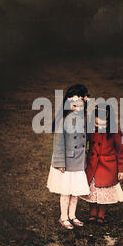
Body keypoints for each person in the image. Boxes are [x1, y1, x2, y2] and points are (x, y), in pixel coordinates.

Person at [47, 84, 90, 229]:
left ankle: (73, 215)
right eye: (73, 102)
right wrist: (60, 163)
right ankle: (63, 217)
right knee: (66, 192)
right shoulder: (63, 119)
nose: (76, 105)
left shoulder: (84, 117)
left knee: (76, 192)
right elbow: (58, 143)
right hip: (67, 161)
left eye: (80, 102)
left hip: (79, 161)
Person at [81, 104, 123, 224]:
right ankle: (92, 212)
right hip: (92, 165)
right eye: (96, 124)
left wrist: (121, 169)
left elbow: (121, 151)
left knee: (103, 192)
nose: (98, 126)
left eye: (102, 124)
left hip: (107, 167)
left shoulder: (115, 132)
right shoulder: (91, 130)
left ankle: (101, 214)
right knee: (92, 191)